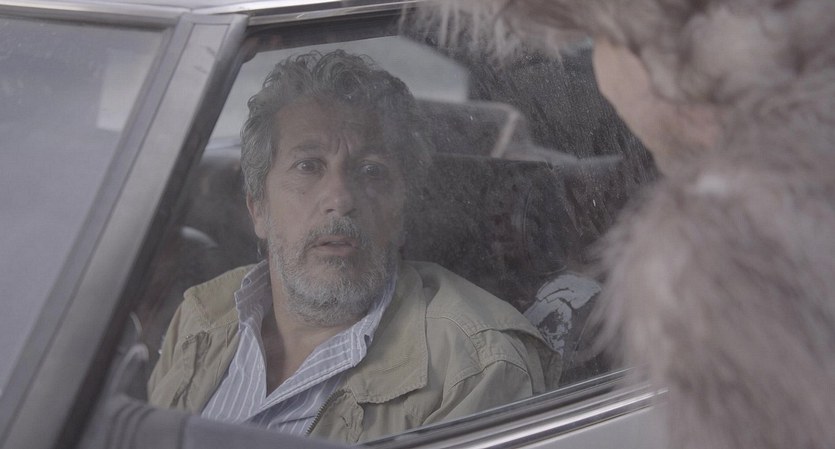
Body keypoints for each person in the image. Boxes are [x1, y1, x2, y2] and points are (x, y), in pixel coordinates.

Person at [430, 1, 835, 448]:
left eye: (601, 40)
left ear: (663, 60)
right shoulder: (794, 202)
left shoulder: (727, 274)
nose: (597, 70)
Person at [147, 50, 552, 444]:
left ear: (402, 211)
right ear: (258, 208)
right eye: (308, 166)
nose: (340, 199)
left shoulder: (473, 367)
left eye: (371, 171)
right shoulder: (201, 315)